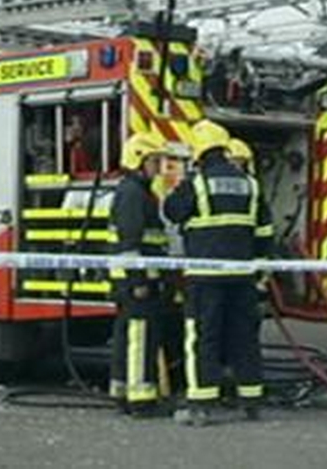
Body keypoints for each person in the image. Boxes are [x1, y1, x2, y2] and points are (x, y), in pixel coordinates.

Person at [163, 120, 274, 426]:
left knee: (204, 338)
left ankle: (201, 404)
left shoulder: (197, 184)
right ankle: (251, 400)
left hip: (205, 276)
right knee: (244, 338)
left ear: (199, 152)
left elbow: (171, 211)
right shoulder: (250, 184)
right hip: (243, 276)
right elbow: (265, 229)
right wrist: (261, 268)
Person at [108, 131, 170, 417]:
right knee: (140, 337)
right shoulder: (133, 193)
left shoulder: (136, 190)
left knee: (127, 335)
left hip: (132, 277)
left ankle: (121, 392)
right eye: (154, 161)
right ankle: (140, 399)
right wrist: (139, 281)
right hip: (136, 279)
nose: (159, 167)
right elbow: (130, 242)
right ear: (138, 160)